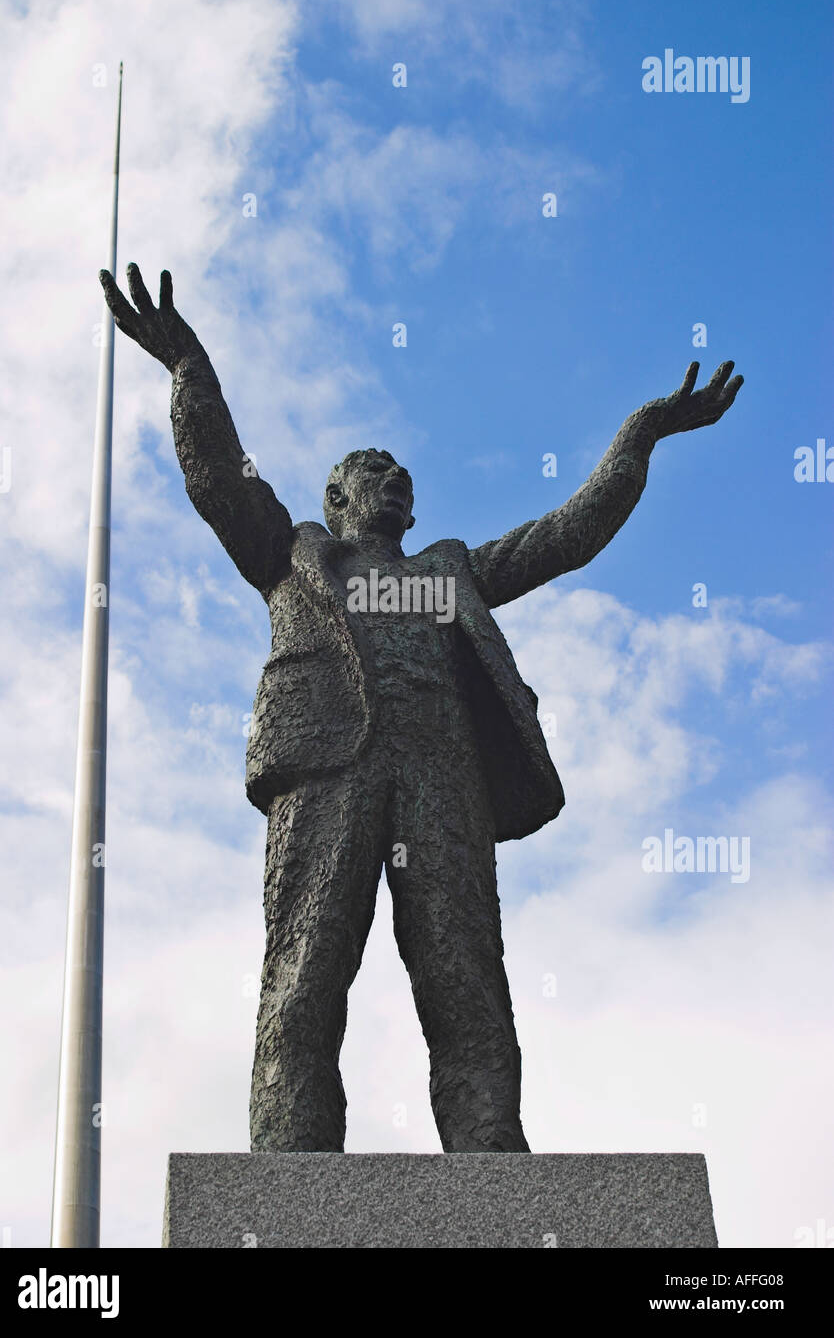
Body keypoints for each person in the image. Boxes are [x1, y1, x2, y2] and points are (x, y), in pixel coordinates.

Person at [100, 263, 744, 1152]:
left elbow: (569, 534)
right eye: (375, 472)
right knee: (305, 974)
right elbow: (216, 474)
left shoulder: (451, 573)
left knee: (465, 979)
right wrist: (186, 369)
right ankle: (288, 1169)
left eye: (403, 474)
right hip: (329, 770)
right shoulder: (289, 556)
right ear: (338, 498)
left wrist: (642, 433)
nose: (396, 480)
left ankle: (490, 1158)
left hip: (443, 779)